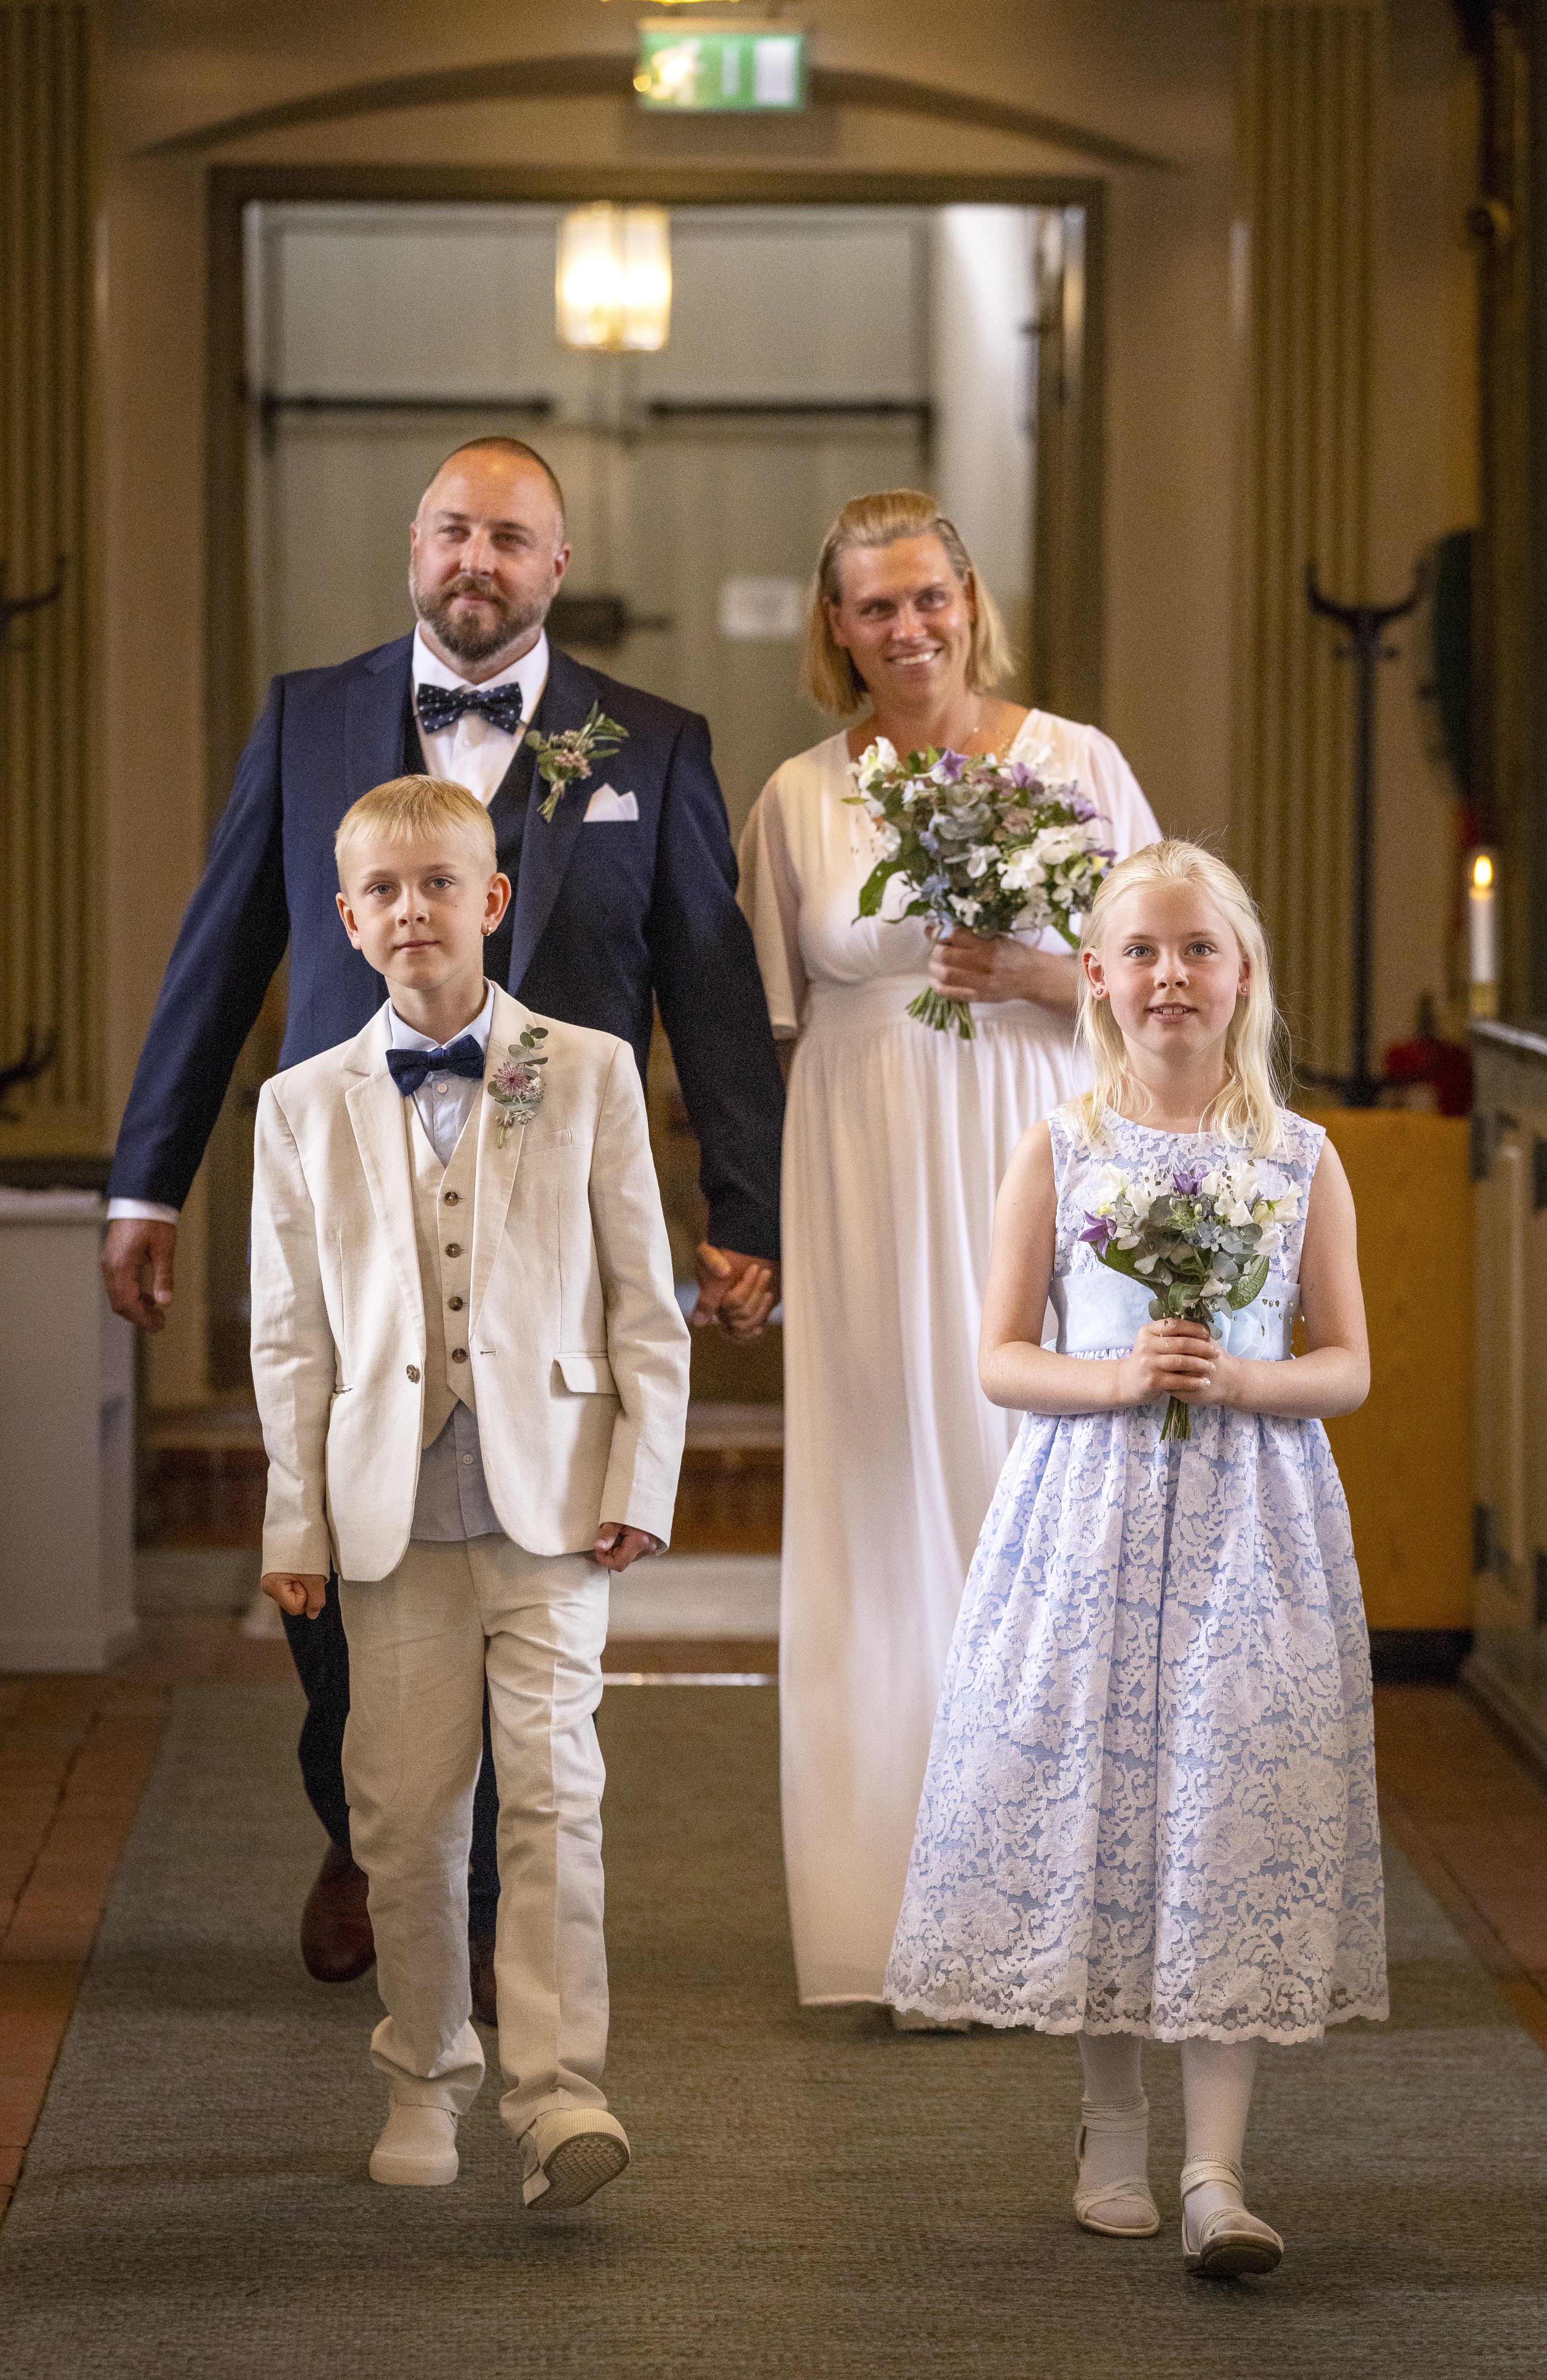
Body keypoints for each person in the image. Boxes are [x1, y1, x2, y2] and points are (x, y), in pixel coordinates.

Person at [102, 437, 783, 2002]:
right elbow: (219, 957)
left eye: (514, 538)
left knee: (528, 1551)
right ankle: (362, 1829)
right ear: (415, 547)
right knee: (345, 1548)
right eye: (455, 531)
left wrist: (741, 1206)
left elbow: (714, 995)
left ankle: (479, 1913)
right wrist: (150, 1178)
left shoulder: (651, 745)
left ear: (556, 567)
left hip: (550, 1230)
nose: (479, 559)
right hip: (351, 1212)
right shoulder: (307, 718)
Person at [886, 840, 1387, 2275]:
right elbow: (998, 1358)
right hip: (1088, 1514)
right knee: (1102, 1805)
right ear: (1097, 981)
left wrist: (1244, 1379)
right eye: (1145, 953)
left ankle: (1219, 2175)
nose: (1173, 976)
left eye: (1201, 951)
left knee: (1229, 1812)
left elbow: (1345, 1363)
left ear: (1243, 978)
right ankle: (1113, 2127)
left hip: (1253, 1526)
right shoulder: (1061, 1146)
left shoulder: (1299, 1157)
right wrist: (1118, 1380)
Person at [736, 489, 1160, 2007]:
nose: (907, 630)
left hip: (1037, 1156)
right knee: (877, 1510)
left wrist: (1049, 974)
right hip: (860, 1165)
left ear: (972, 599)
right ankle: (884, 1922)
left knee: (1037, 1498)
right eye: (873, 609)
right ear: (834, 629)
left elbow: (1181, 982)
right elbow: (758, 1029)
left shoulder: (1079, 762)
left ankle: (1066, 1909)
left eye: (930, 599)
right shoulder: (798, 796)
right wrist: (748, 1229)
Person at [252, 773, 691, 2210]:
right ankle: (424, 2072)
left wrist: (643, 1473)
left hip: (554, 1502)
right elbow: (291, 1336)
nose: (412, 910)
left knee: (557, 1798)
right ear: (347, 918)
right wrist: (294, 1521)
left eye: (440, 883)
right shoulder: (299, 1107)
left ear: (490, 900)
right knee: (406, 1813)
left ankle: (561, 2095)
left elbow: (644, 1303)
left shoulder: (586, 1068)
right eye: (382, 890)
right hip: (387, 1517)